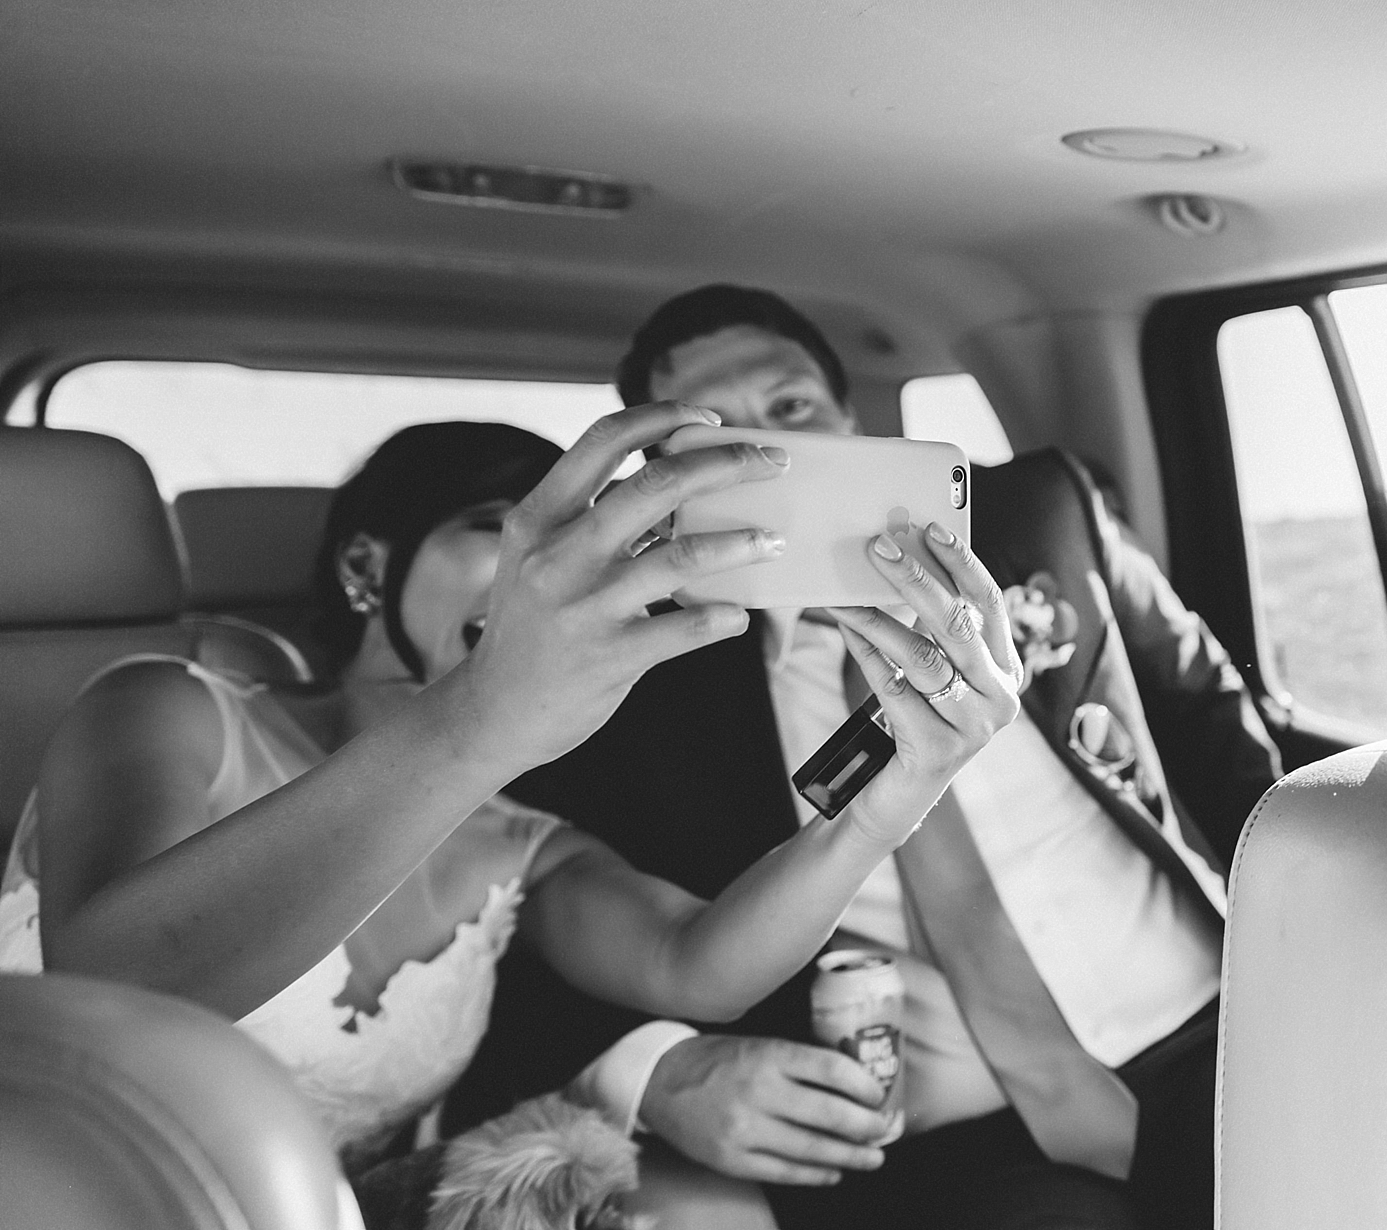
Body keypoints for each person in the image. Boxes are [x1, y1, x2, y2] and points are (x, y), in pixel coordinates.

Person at [0, 412, 1021, 1223]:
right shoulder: (169, 707)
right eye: (501, 525)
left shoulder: (517, 839)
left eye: (580, 539)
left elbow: (697, 962)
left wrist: (890, 803)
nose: (546, 570)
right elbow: (116, 994)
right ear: (366, 566)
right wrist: (484, 716)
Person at [452, 286, 1287, 1230]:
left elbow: (1206, 710)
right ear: (665, 479)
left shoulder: (1042, 509)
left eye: (793, 408)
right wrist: (660, 1071)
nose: (767, 453)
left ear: (852, 422)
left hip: (1223, 1023)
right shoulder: (640, 683)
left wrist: (1294, 918)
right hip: (949, 1136)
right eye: (713, 436)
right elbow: (535, 918)